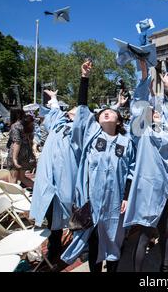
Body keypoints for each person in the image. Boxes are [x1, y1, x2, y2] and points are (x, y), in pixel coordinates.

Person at [61, 61, 136, 273]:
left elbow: (131, 170)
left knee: (114, 240)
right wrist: (84, 78)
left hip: (115, 202)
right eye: (102, 111)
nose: (105, 112)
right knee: (94, 241)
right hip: (92, 200)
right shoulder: (91, 135)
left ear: (119, 120)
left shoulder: (126, 143)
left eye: (110, 112)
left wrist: (126, 196)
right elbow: (83, 110)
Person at [123, 63, 168, 272]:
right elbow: (139, 105)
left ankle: (164, 268)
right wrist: (145, 78)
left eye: (159, 112)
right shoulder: (141, 132)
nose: (156, 113)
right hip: (147, 189)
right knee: (145, 234)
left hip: (165, 188)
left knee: (165, 231)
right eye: (152, 111)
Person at [30, 89, 80, 264]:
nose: (69, 113)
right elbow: (55, 112)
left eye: (74, 112)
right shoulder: (58, 124)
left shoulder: (80, 129)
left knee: (75, 216)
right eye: (70, 111)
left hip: (68, 181)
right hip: (49, 181)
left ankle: (81, 246)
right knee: (53, 222)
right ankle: (53, 252)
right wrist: (53, 98)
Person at [6, 112, 36, 188]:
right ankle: (40, 191)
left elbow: (17, 142)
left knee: (13, 178)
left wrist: (14, 159)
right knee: (22, 177)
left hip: (16, 153)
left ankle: (13, 198)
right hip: (26, 154)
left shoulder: (16, 126)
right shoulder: (30, 127)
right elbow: (31, 142)